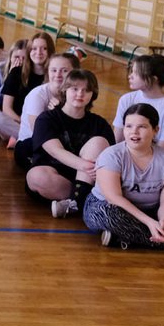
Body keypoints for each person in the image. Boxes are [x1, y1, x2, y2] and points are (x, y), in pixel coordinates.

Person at [83, 103, 164, 253]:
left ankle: (125, 237)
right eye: (128, 126)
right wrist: (149, 222)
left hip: (151, 211)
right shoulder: (111, 155)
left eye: (142, 127)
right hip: (108, 208)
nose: (134, 132)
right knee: (109, 216)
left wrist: (163, 222)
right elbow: (114, 198)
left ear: (155, 130)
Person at [24, 69, 115, 218]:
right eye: (75, 89)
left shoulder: (100, 124)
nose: (80, 94)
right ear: (65, 90)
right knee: (36, 176)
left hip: (86, 178)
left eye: (86, 90)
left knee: (99, 142)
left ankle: (75, 203)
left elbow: (110, 158)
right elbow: (55, 151)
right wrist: (84, 165)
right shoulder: (46, 119)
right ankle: (84, 201)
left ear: (93, 94)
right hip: (56, 176)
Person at [113, 53, 164, 151]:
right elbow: (117, 141)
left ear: (154, 79)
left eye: (136, 73)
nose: (130, 76)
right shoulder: (126, 99)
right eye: (132, 71)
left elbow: (163, 151)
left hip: (155, 159)